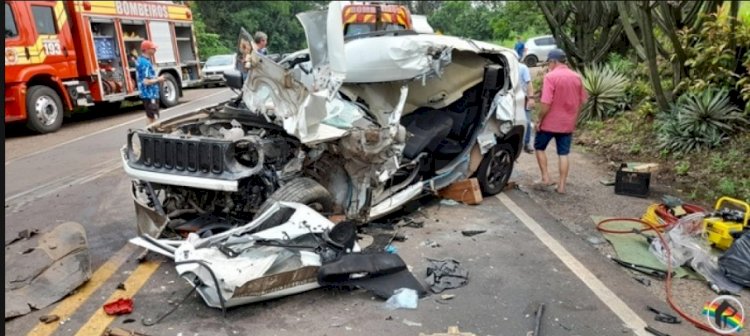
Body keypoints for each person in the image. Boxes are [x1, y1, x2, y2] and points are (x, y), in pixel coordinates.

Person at [534, 49, 587, 194]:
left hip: (549, 123)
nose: (548, 66)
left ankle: (545, 177)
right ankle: (562, 186)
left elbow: (546, 103)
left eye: (549, 63)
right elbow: (582, 102)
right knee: (563, 154)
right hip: (567, 124)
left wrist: (539, 120)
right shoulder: (577, 77)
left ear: (553, 61)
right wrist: (574, 119)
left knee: (539, 148)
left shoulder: (550, 77)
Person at [136, 40, 165, 125]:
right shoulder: (145, 63)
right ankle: (152, 135)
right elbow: (146, 81)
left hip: (146, 94)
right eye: (153, 48)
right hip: (150, 94)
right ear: (147, 49)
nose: (155, 50)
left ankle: (150, 134)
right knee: (153, 117)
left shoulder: (140, 60)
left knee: (150, 116)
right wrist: (159, 79)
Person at [518, 58, 535, 154]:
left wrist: (531, 97)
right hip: (510, 98)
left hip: (523, 98)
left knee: (527, 122)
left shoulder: (523, 68)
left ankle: (527, 143)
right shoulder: (507, 68)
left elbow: (529, 83)